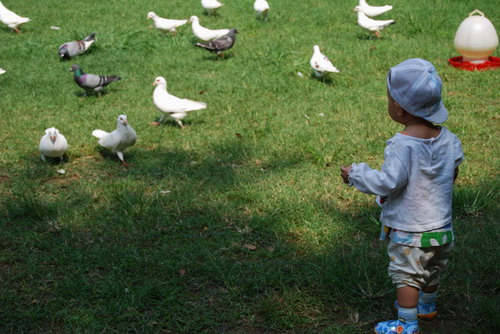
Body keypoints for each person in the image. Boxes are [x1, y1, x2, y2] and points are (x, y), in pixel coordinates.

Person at [340, 58, 464, 334]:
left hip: (411, 232)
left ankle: (406, 325)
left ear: (397, 107)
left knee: (407, 276)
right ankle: (427, 307)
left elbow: (387, 183)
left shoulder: (402, 145)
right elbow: (452, 172)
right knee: (431, 268)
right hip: (442, 228)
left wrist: (355, 174)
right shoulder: (450, 139)